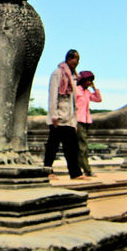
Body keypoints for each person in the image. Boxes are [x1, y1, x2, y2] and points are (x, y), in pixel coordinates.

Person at [44, 49, 84, 180]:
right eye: (75, 59)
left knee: (72, 147)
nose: (76, 62)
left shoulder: (73, 76)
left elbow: (73, 100)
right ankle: (48, 171)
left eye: (78, 60)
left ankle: (75, 173)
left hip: (69, 118)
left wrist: (75, 120)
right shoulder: (58, 73)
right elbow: (53, 94)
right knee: (53, 146)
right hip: (58, 117)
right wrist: (53, 115)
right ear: (69, 59)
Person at [75, 70, 101, 179]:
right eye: (89, 81)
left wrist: (95, 88)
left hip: (86, 121)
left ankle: (83, 169)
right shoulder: (77, 91)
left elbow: (98, 99)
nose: (90, 83)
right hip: (78, 121)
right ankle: (87, 170)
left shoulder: (87, 92)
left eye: (91, 81)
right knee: (82, 147)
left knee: (83, 146)